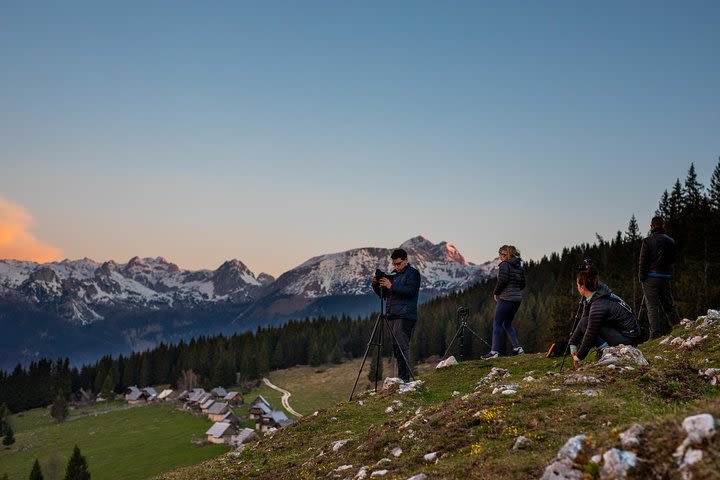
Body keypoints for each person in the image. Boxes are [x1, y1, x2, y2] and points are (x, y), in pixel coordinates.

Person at [569, 268, 641, 368]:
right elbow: (583, 320)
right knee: (586, 322)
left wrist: (579, 356)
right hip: (627, 332)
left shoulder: (598, 305)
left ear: (582, 287)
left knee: (590, 327)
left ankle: (605, 352)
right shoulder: (598, 294)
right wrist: (573, 342)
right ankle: (605, 349)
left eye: (577, 285)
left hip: (629, 338)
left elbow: (590, 333)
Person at [371, 248, 421, 382]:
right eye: (394, 264)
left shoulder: (413, 274)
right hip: (392, 315)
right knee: (396, 348)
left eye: (398, 264)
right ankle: (401, 377)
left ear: (406, 260)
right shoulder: (394, 276)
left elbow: (411, 291)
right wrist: (375, 285)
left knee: (401, 347)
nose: (396, 266)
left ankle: (404, 379)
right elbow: (384, 295)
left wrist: (391, 286)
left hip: (405, 316)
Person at [639, 215, 681, 339]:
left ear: (651, 226)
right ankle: (678, 327)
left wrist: (642, 276)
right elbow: (672, 259)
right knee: (668, 304)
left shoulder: (647, 241)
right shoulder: (671, 241)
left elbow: (643, 261)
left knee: (652, 306)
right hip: (666, 276)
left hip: (651, 277)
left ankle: (654, 335)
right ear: (663, 225)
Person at [482, 245, 525, 359]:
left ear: (504, 255)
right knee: (507, 323)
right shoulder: (519, 267)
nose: (499, 257)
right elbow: (522, 284)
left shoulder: (505, 265)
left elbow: (502, 281)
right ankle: (517, 348)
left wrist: (496, 293)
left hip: (506, 298)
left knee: (497, 323)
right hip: (517, 299)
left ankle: (494, 351)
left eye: (500, 255)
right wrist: (514, 290)